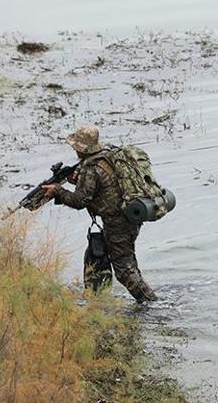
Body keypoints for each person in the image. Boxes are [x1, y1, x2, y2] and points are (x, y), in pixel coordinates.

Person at [41, 126, 158, 302]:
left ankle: (152, 304)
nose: (74, 149)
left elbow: (80, 201)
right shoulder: (108, 156)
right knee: (127, 263)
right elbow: (104, 188)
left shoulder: (91, 168)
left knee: (124, 272)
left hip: (118, 222)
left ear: (81, 148)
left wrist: (58, 191)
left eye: (76, 146)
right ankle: (147, 301)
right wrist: (76, 183)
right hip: (130, 216)